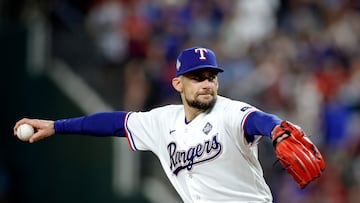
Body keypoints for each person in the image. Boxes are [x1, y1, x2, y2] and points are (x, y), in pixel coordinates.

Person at [14, 47, 324, 202]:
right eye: (197, 77)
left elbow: (258, 120)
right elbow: (114, 123)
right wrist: (57, 125)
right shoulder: (163, 121)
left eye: (211, 77)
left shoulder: (229, 112)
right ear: (178, 83)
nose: (206, 83)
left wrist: (276, 130)